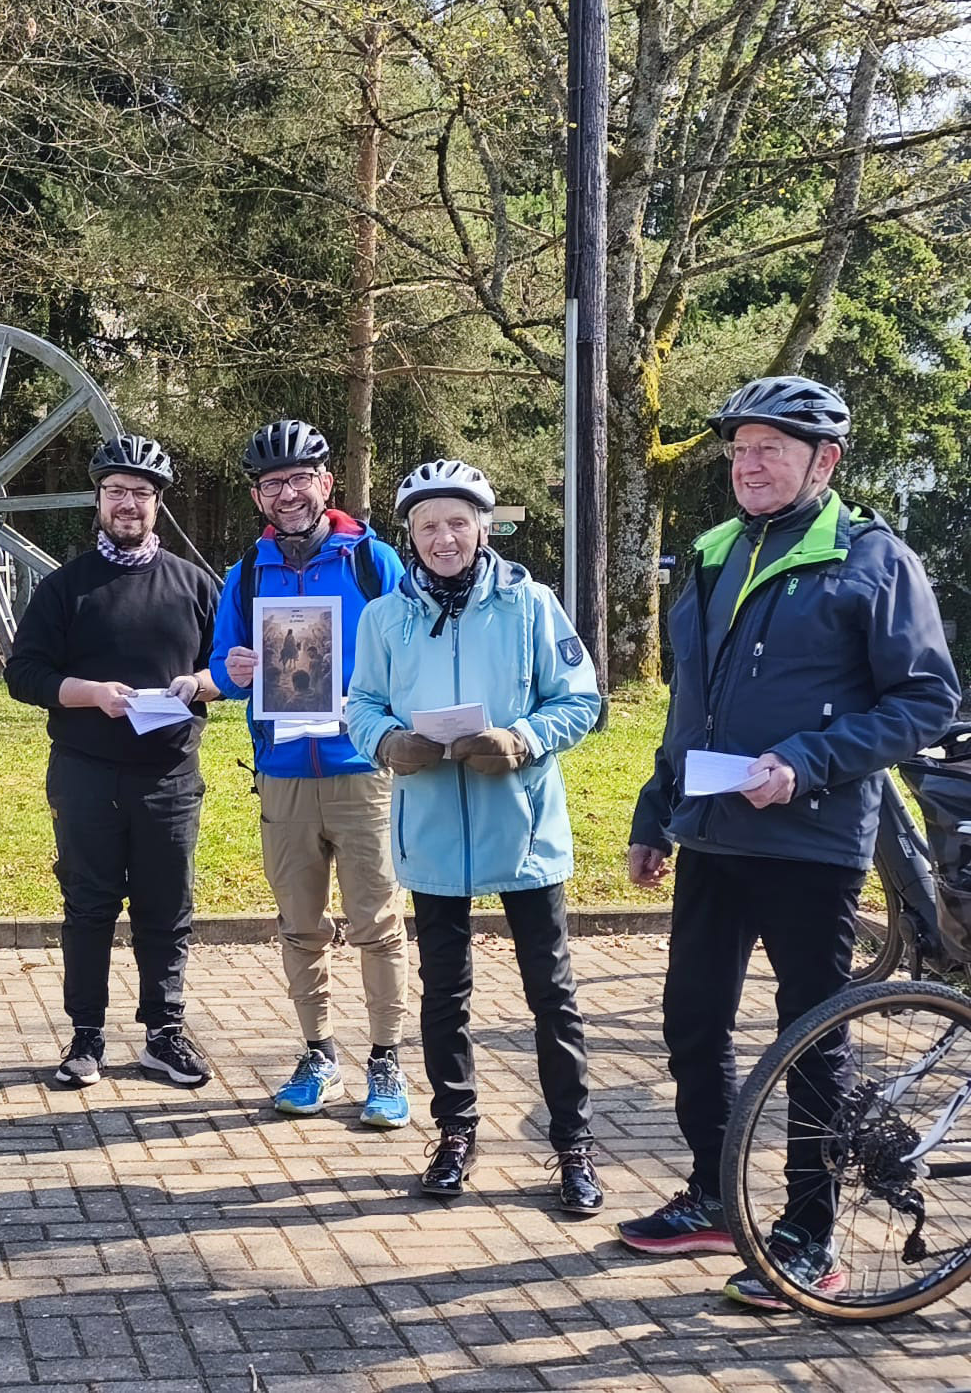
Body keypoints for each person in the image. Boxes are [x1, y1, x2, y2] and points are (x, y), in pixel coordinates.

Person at [619, 376, 960, 1307]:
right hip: (713, 834)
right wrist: (656, 813)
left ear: (826, 461)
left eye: (771, 447)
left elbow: (928, 699)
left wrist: (807, 760)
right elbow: (693, 704)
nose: (749, 463)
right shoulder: (713, 551)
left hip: (811, 842)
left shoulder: (873, 559)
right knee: (692, 1022)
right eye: (739, 449)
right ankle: (714, 1194)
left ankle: (809, 1234)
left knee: (813, 1041)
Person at [345, 459, 605, 1213]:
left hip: (521, 830)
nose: (444, 537)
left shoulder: (531, 605)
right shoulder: (383, 618)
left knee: (550, 996)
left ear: (484, 528)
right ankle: (455, 1133)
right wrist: (388, 742)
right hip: (430, 829)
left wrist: (522, 739)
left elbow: (580, 698)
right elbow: (360, 703)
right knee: (444, 996)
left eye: (458, 522)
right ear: (412, 536)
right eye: (429, 526)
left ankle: (574, 1146)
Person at [208, 419, 412, 1127]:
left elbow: (416, 644)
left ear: (327, 484)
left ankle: (386, 1061)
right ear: (258, 496)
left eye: (301, 479)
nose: (288, 493)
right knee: (299, 925)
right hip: (284, 773)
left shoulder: (374, 561)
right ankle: (318, 1052)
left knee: (378, 924)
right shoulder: (245, 572)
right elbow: (222, 667)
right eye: (273, 483)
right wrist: (230, 673)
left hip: (363, 770)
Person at [4, 432, 222, 1090]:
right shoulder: (65, 588)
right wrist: (90, 694)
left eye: (141, 494)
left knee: (167, 907)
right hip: (86, 773)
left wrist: (199, 684)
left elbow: (231, 668)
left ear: (158, 504)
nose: (128, 504)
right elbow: (23, 674)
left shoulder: (193, 584)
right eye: (116, 492)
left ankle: (164, 1034)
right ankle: (86, 1038)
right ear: (99, 500)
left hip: (170, 776)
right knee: (89, 906)